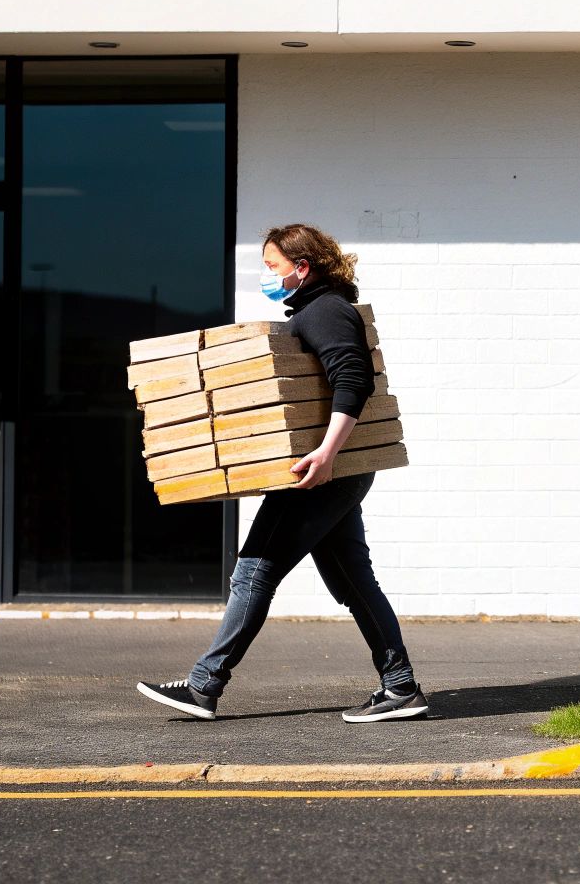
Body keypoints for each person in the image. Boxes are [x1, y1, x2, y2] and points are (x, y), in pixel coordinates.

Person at [136, 223, 427, 724]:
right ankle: (400, 687)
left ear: (302, 266)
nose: (267, 276)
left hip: (321, 472)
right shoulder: (319, 310)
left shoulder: (326, 312)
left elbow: (352, 379)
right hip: (333, 470)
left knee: (254, 572)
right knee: (354, 582)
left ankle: (205, 686)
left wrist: (327, 453)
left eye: (271, 266)